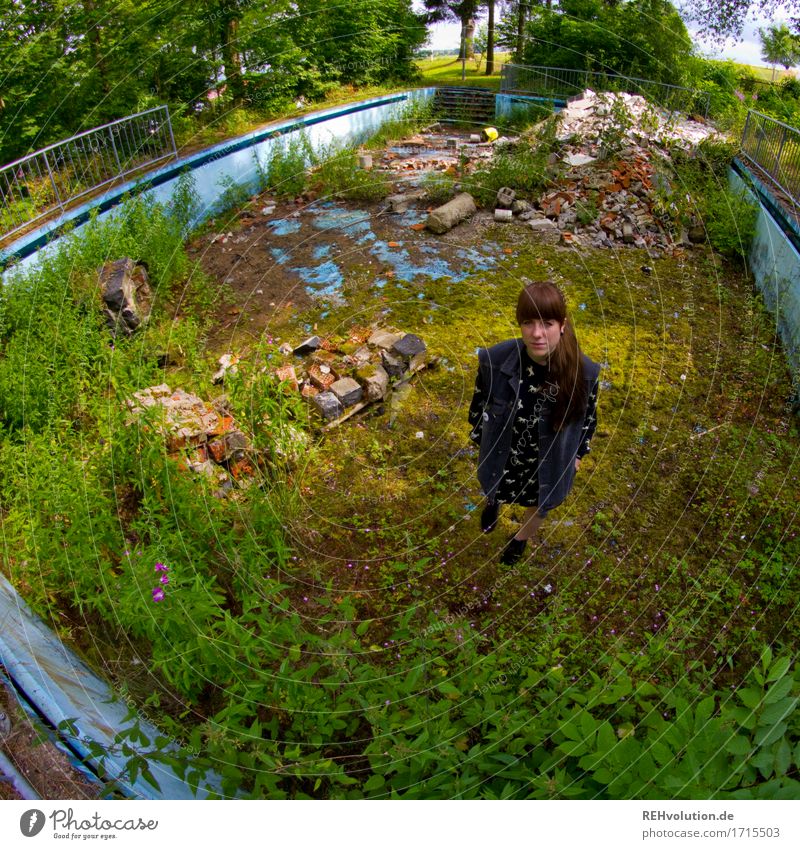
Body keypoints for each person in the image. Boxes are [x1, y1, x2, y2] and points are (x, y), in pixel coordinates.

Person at [468, 281, 601, 565]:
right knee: (495, 485)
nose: (537, 333)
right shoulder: (495, 360)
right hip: (503, 457)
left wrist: (576, 457)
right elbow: (479, 404)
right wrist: (482, 444)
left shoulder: (584, 373)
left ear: (562, 325)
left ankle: (519, 540)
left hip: (546, 465)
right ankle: (493, 503)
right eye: (528, 322)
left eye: (547, 323)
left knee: (538, 505)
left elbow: (588, 419)